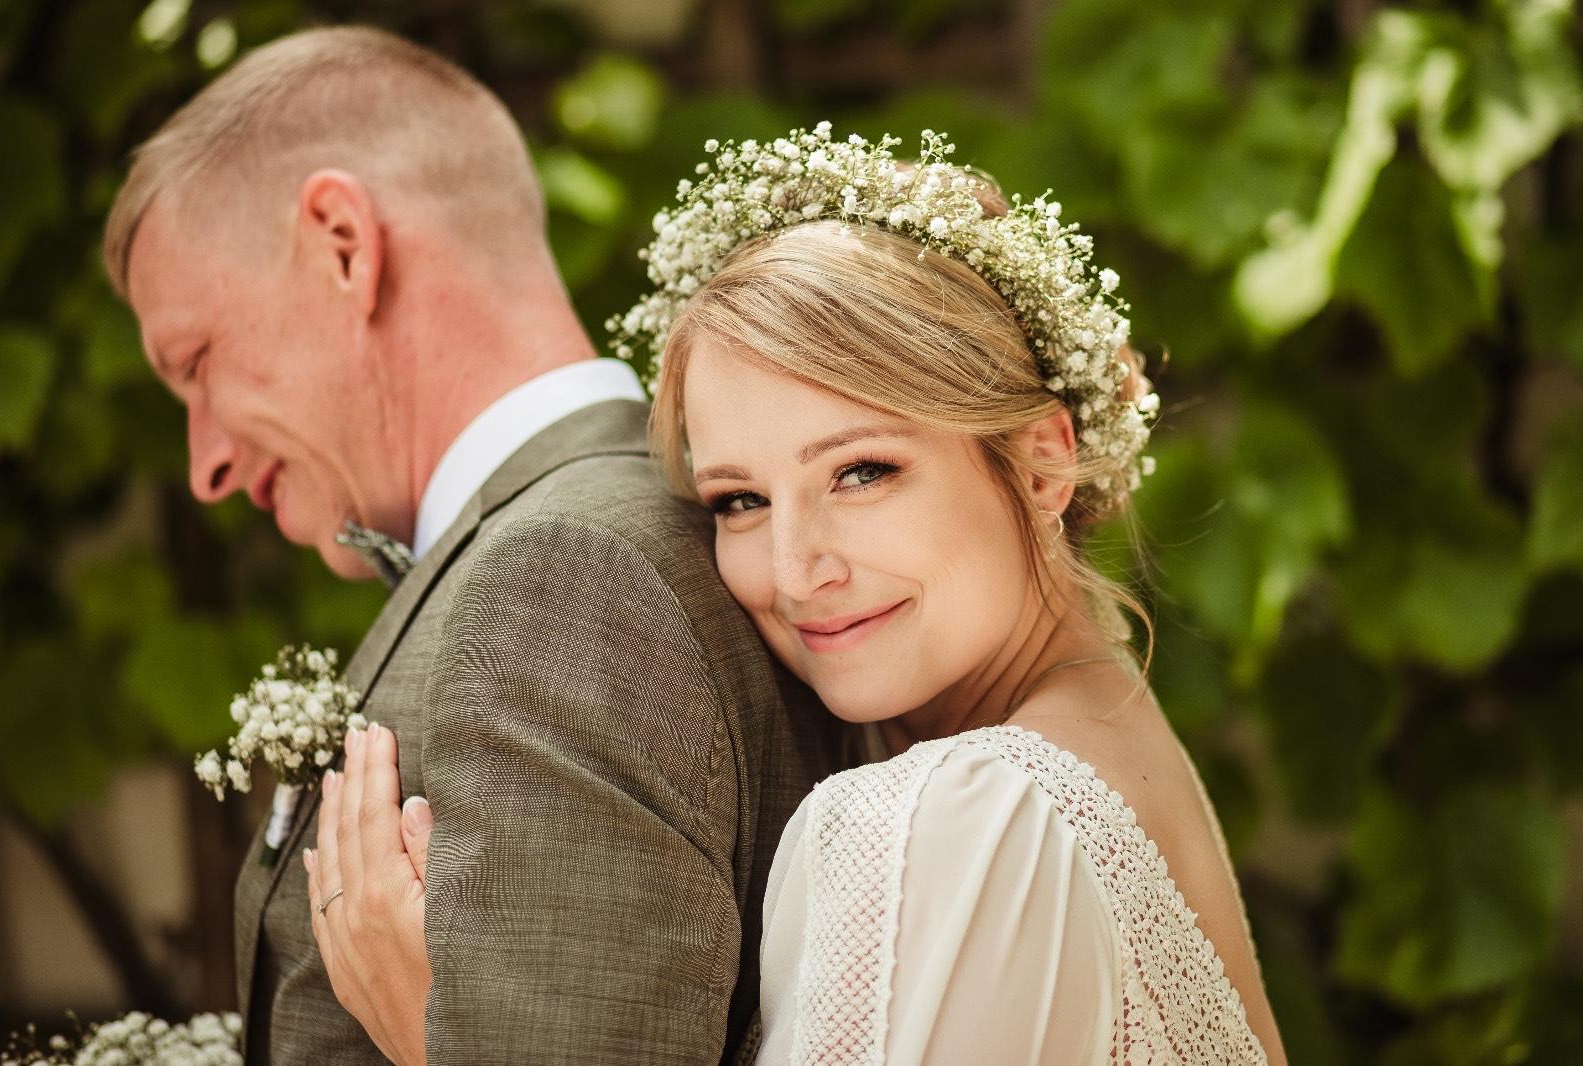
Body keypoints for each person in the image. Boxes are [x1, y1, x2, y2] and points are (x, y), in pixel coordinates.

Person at [309, 126, 1288, 1063]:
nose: (792, 570)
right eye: (738, 499)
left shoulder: (956, 819)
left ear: (1041, 463)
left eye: (861, 472)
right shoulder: (1110, 734)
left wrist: (444, 1037)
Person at [104, 27, 847, 1065]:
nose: (205, 465)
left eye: (197, 363)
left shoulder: (564, 580)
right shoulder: (593, 534)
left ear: (343, 245)